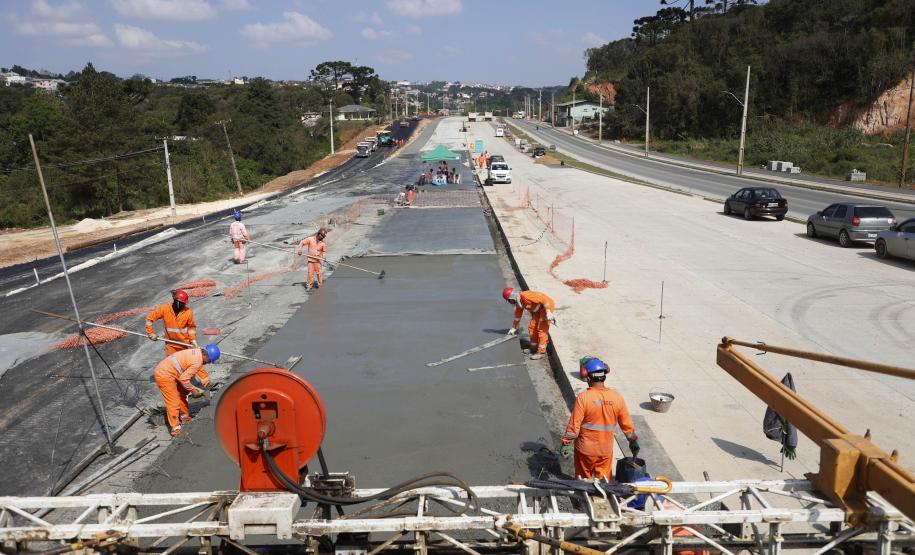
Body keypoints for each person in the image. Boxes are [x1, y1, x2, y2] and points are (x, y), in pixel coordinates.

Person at [559, 358, 639, 479]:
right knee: (604, 480)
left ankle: (583, 497)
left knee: (583, 480)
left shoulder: (583, 398)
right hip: (605, 450)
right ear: (604, 376)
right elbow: (627, 426)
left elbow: (573, 427)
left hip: (585, 450)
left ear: (588, 378)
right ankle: (604, 496)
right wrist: (633, 441)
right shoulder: (617, 398)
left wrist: (565, 443)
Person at [153, 344, 220, 437]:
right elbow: (184, 379)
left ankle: (184, 416)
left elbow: (186, 375)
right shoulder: (198, 361)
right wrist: (194, 391)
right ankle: (175, 428)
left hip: (171, 371)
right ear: (205, 355)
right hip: (164, 374)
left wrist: (196, 386)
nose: (208, 363)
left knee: (181, 393)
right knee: (173, 401)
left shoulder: (197, 352)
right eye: (209, 361)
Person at [503, 287, 555, 360]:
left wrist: (548, 311)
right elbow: (517, 317)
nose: (509, 302)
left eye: (509, 300)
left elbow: (544, 300)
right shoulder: (519, 304)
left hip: (546, 307)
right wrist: (513, 327)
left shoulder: (526, 296)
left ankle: (541, 352)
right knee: (532, 327)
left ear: (512, 297)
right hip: (539, 310)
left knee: (542, 329)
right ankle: (533, 348)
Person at [146, 290, 197, 356]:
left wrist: (193, 340)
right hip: (171, 345)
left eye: (184, 303)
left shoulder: (188, 312)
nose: (183, 305)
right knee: (172, 364)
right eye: (182, 303)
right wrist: (150, 333)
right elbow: (149, 319)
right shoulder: (165, 309)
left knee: (184, 364)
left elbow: (191, 328)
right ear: (175, 300)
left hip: (184, 345)